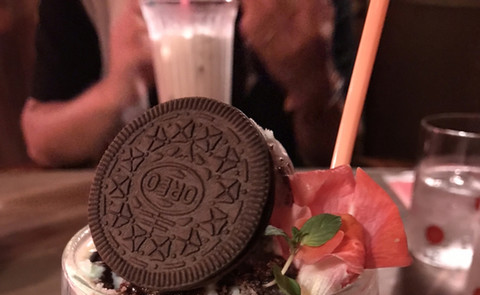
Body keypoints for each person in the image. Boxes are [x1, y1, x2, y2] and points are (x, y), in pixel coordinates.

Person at [21, 0, 355, 169]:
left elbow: (343, 154)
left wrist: (313, 87)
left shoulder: (306, 8)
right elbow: (40, 140)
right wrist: (116, 90)